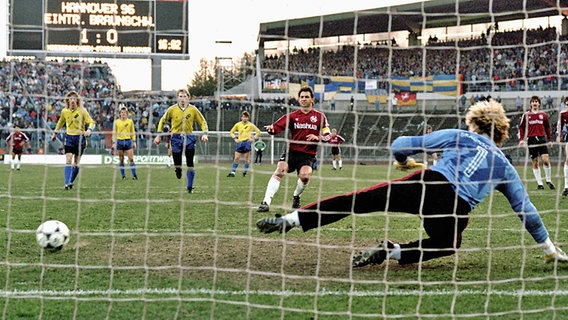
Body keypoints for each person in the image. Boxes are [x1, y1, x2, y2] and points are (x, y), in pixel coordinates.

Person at [256, 100, 568, 267]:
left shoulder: (463, 136)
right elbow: (526, 210)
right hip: (456, 209)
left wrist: (404, 162)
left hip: (426, 184)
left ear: (474, 122)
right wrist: (549, 248)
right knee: (449, 244)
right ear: (500, 133)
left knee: (359, 199)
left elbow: (402, 143)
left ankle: (291, 219)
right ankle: (391, 252)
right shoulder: (504, 163)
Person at [257, 86, 331, 212]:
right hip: (292, 151)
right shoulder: (292, 116)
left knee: (305, 176)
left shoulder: (320, 117)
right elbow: (277, 127)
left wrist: (317, 137)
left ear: (312, 99)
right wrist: (271, 129)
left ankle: (296, 196)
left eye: (307, 97)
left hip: (308, 154)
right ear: (298, 99)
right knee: (280, 170)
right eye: (301, 97)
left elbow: (328, 135)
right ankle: (266, 202)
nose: (304, 99)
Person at [154, 89, 208, 193]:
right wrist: (158, 135)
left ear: (188, 97)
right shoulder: (172, 109)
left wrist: (205, 133)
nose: (182, 99)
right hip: (176, 137)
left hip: (189, 137)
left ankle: (189, 186)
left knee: (190, 162)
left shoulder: (193, 109)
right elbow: (162, 121)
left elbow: (202, 122)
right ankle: (178, 170)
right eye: (180, 96)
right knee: (177, 161)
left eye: (184, 96)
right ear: (177, 98)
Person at [51, 91, 96, 190]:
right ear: (67, 101)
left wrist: (89, 130)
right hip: (69, 138)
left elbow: (91, 122)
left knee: (76, 163)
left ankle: (71, 181)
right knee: (68, 159)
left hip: (80, 139)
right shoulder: (64, 111)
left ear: (77, 100)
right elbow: (60, 123)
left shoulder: (82, 111)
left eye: (74, 98)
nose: (72, 100)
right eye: (70, 99)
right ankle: (67, 183)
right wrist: (55, 133)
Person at [518, 95, 555, 190]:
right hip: (531, 140)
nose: (535, 103)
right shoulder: (526, 115)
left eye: (536, 101)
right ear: (530, 103)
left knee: (546, 160)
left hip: (542, 139)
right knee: (535, 162)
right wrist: (521, 139)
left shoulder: (544, 115)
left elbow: (547, 128)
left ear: (539, 104)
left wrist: (550, 140)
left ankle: (548, 180)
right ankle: (540, 183)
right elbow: (521, 128)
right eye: (533, 101)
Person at [227, 111, 261, 177]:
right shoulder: (238, 124)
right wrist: (235, 138)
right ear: (241, 117)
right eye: (243, 117)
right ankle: (233, 172)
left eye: (246, 117)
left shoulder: (250, 125)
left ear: (248, 118)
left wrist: (253, 138)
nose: (244, 118)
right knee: (236, 158)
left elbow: (258, 132)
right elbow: (231, 132)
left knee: (247, 159)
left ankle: (244, 172)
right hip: (240, 142)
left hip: (247, 143)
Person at [112, 106, 138, 180]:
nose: (123, 114)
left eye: (125, 112)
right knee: (121, 159)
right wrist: (114, 142)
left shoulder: (130, 121)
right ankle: (123, 176)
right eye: (122, 112)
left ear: (127, 114)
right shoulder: (116, 122)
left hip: (128, 141)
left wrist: (134, 141)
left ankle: (134, 175)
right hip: (119, 141)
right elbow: (114, 133)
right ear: (120, 114)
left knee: (131, 158)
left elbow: (133, 132)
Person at [557, 96, 568, 196]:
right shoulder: (563, 114)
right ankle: (566, 186)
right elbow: (559, 126)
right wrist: (559, 136)